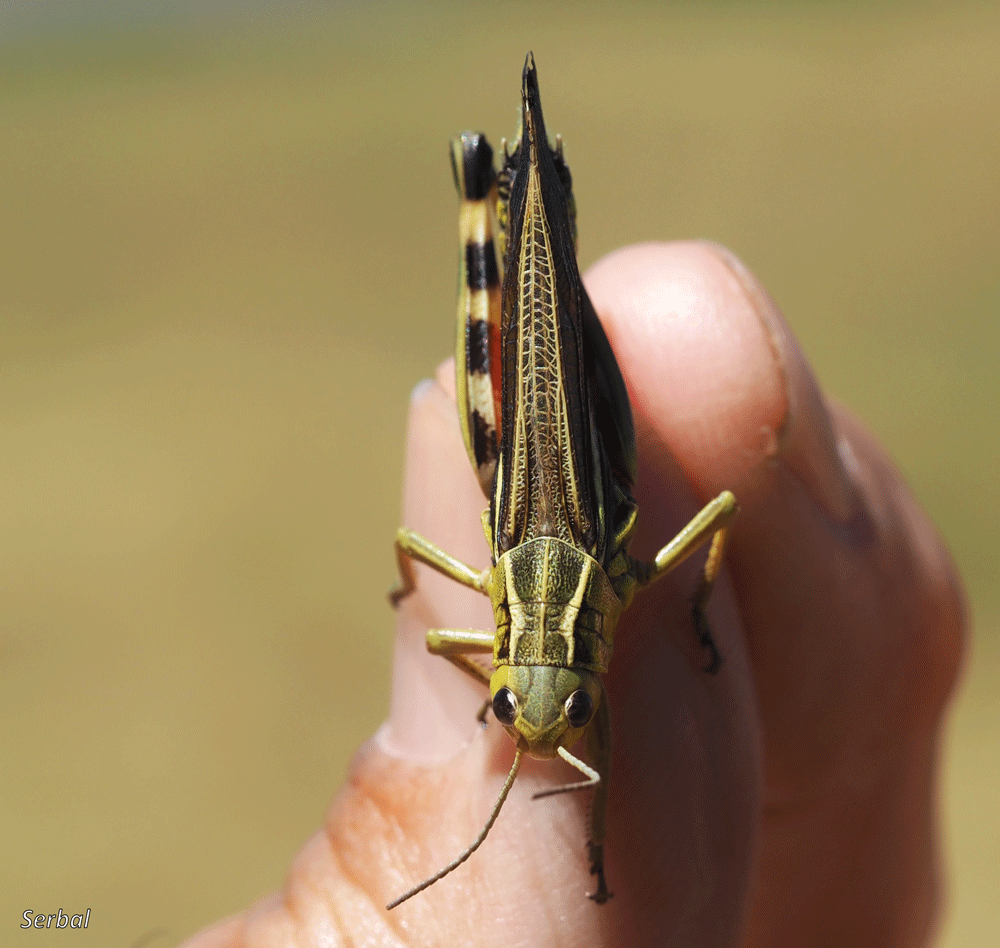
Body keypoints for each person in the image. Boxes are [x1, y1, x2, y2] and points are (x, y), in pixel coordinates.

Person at [183, 242, 965, 947]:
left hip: (541, 476)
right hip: (567, 472)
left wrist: (698, 605)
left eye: (511, 704)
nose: (546, 724)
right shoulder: (587, 610)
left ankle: (512, 222)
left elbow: (427, 580)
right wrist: (687, 609)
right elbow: (419, 561)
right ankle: (513, 222)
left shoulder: (581, 614)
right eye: (566, 708)